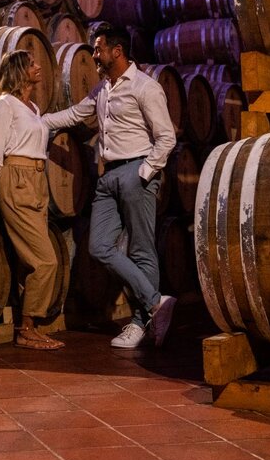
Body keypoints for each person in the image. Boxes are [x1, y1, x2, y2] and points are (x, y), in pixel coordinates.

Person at [42, 24, 177, 348]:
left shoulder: (145, 87)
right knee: (99, 246)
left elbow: (167, 137)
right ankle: (155, 302)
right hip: (108, 176)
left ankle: (139, 322)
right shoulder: (104, 89)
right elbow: (76, 114)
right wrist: (38, 121)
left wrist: (144, 172)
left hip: (135, 171)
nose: (94, 54)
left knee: (141, 249)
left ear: (117, 51)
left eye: (99, 48)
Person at [0, 49, 65, 350]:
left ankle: (29, 325)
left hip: (37, 179)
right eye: (31, 64)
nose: (38, 66)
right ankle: (26, 329)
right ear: (20, 71)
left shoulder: (33, 107)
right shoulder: (5, 104)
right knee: (46, 260)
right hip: (16, 179)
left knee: (29, 262)